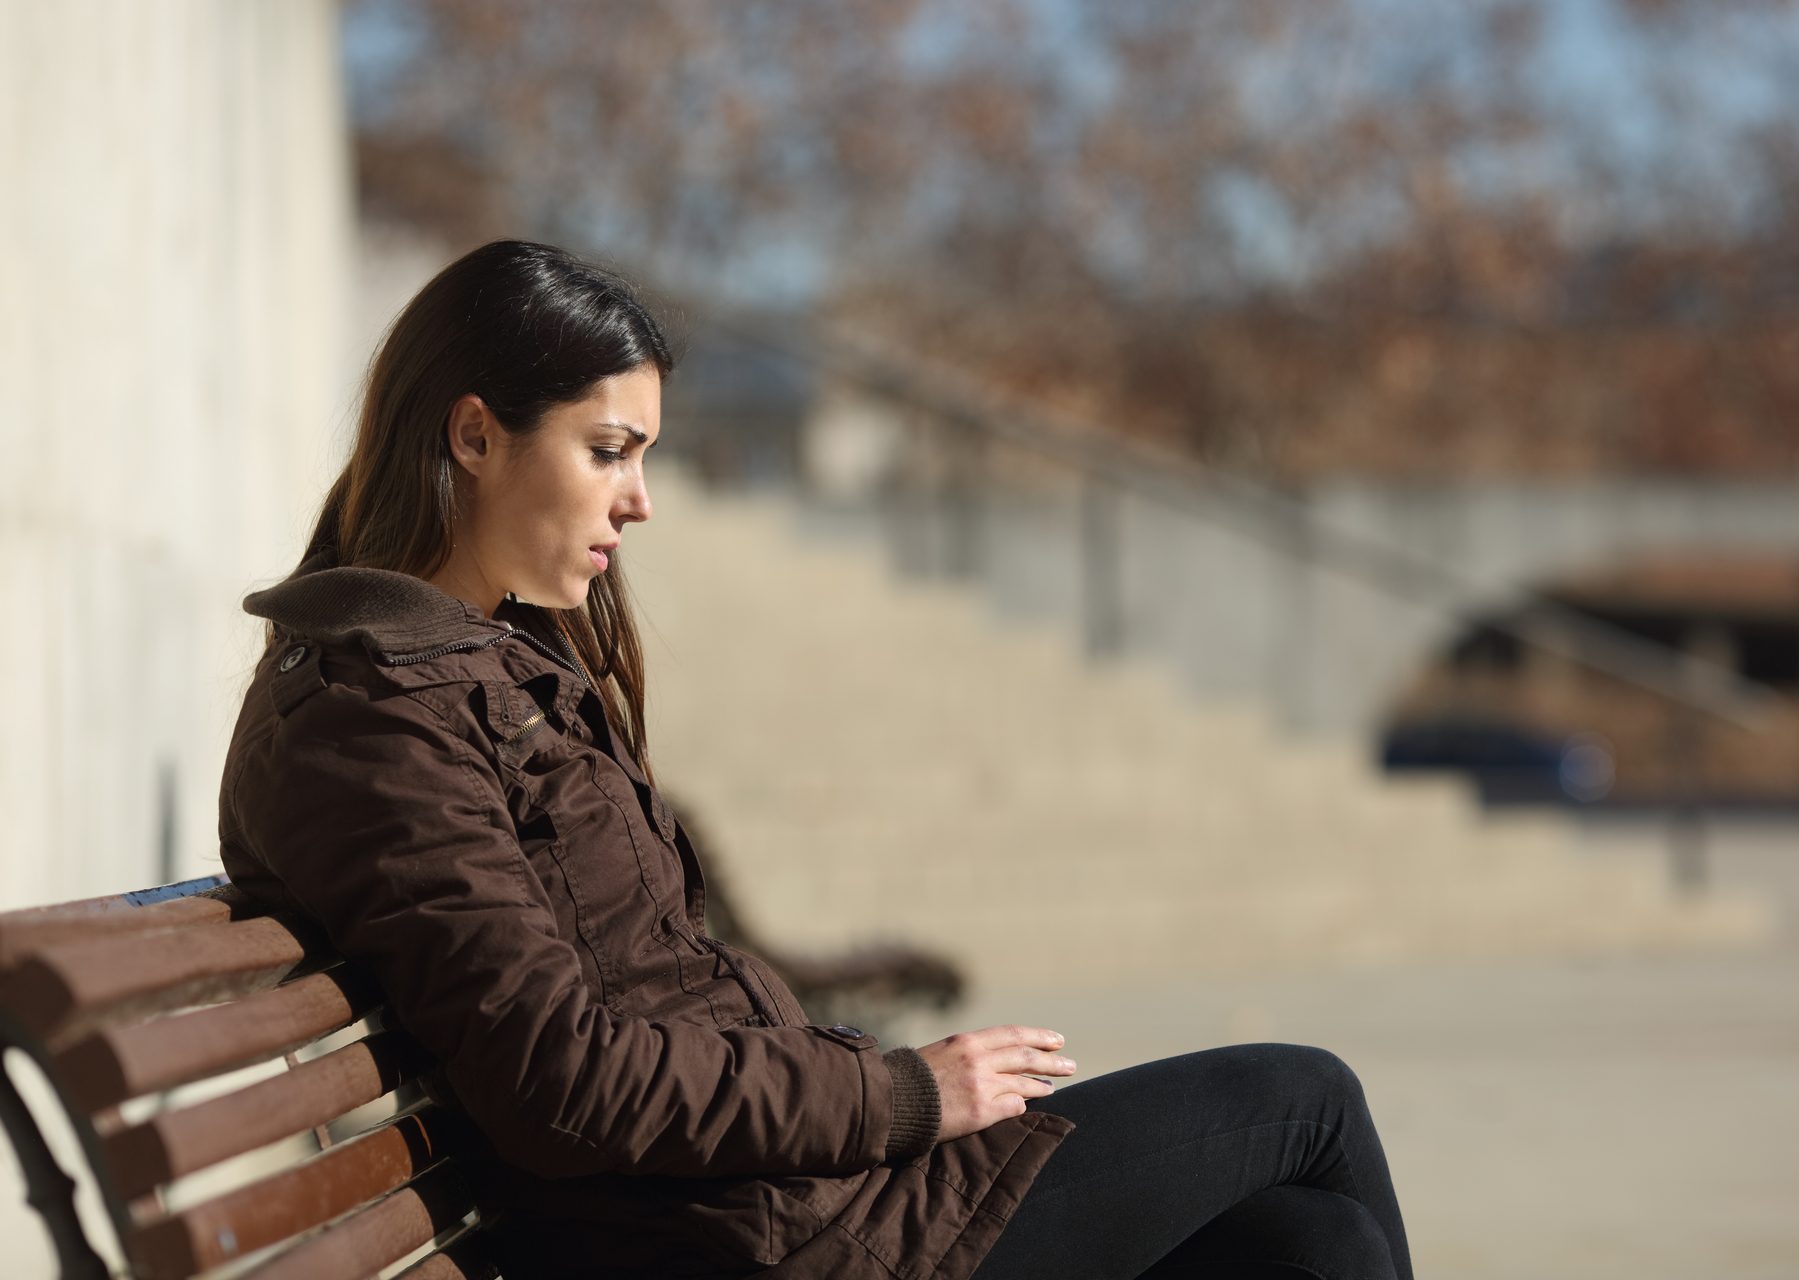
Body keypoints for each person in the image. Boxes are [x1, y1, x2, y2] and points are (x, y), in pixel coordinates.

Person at [217, 239, 1415, 1280]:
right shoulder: (377, 721)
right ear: (475, 433)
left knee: (1319, 1248)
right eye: (608, 450)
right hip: (756, 1240)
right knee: (1304, 1098)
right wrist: (904, 1095)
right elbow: (564, 1076)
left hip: (781, 1200)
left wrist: (870, 1100)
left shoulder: (476, 674)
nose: (639, 501)